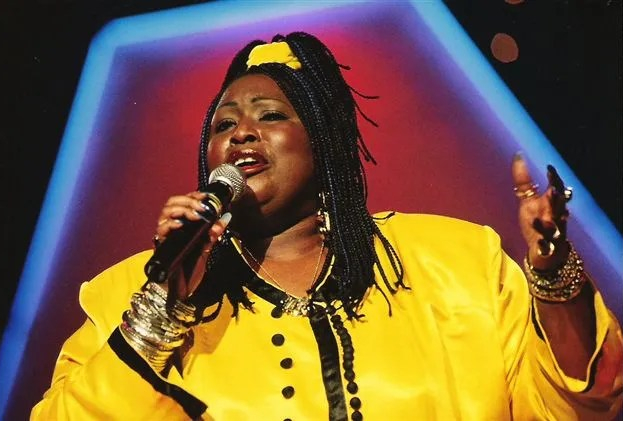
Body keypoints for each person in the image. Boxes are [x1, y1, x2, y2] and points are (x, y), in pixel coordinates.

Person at [31, 32, 622, 420]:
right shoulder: (128, 292)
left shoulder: (456, 263)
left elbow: (580, 406)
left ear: (324, 144)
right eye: (222, 125)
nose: (241, 133)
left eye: (270, 116)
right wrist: (163, 312)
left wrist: (555, 279)